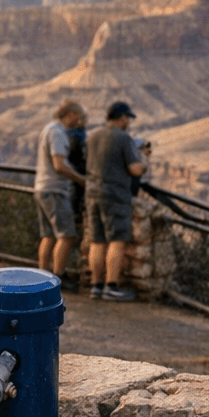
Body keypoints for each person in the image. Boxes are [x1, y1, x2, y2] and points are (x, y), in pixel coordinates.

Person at [85, 101, 149, 301]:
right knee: (117, 240)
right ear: (122, 118)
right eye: (127, 119)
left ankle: (95, 286)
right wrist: (144, 158)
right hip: (115, 195)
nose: (128, 122)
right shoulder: (124, 139)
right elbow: (135, 169)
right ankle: (111, 287)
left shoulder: (92, 137)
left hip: (92, 194)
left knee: (97, 240)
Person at [35, 101, 88, 290]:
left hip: (42, 187)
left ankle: (42, 276)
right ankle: (58, 277)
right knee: (67, 235)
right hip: (54, 189)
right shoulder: (57, 133)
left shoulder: (49, 129)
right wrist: (80, 179)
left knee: (48, 235)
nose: (80, 121)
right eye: (78, 116)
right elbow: (59, 165)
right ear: (71, 114)